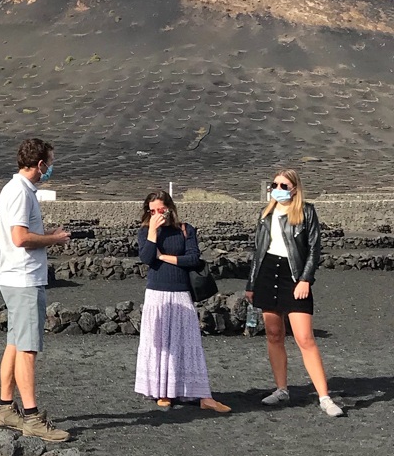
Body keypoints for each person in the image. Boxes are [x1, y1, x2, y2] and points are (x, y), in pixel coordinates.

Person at [245, 167, 343, 416]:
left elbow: (314, 249)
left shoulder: (306, 212)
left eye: (283, 186)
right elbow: (258, 251)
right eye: (274, 185)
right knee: (274, 335)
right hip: (268, 273)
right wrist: (251, 284)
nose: (277, 190)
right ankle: (281, 389)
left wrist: (305, 279)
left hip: (294, 275)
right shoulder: (265, 214)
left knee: (305, 338)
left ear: (295, 189)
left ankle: (324, 397)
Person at [0, 137, 71, 441]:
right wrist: (53, 239)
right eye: (49, 163)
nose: (50, 168)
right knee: (27, 348)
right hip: (24, 278)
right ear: (39, 164)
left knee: (15, 343)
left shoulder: (15, 189)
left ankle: (5, 409)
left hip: (15, 277)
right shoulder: (20, 193)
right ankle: (31, 417)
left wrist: (45, 234)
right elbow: (20, 238)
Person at [135, 191, 231, 414]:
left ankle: (202, 394)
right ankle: (164, 392)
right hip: (156, 293)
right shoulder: (145, 232)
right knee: (161, 343)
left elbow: (193, 258)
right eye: (152, 211)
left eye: (160, 209)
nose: (157, 214)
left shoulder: (186, 229)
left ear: (170, 208)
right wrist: (151, 232)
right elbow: (146, 258)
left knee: (187, 342)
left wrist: (163, 257)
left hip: (181, 292)